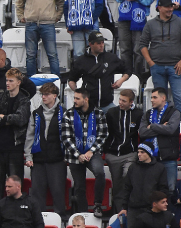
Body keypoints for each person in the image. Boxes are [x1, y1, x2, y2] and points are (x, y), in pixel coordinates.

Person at [139, 0, 181, 121]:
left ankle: (179, 126)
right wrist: (150, 62)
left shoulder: (180, 22)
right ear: (159, 8)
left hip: (176, 66)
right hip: (157, 66)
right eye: (167, 7)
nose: (170, 9)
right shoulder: (150, 24)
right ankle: (161, 125)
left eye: (171, 6)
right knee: (160, 99)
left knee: (179, 97)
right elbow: (142, 44)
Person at [0, 68, 30, 207]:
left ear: (18, 82)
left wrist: (3, 118)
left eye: (11, 81)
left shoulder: (24, 100)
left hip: (15, 148)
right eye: (6, 80)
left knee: (16, 186)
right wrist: (8, 120)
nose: (7, 83)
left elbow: (21, 119)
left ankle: (16, 212)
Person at [62, 88, 108, 217]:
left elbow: (103, 135)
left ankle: (97, 205)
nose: (74, 101)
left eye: (77, 98)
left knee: (100, 173)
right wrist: (78, 155)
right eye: (74, 98)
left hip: (92, 153)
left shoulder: (98, 113)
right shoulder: (69, 114)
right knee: (79, 186)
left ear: (85, 99)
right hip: (74, 155)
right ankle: (82, 213)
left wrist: (91, 151)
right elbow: (66, 138)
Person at [16, 0, 64, 77]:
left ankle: (55, 81)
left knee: (52, 54)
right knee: (30, 55)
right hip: (31, 23)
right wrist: (20, 15)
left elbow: (61, 1)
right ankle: (31, 82)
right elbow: (19, 0)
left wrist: (58, 16)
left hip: (47, 24)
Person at [25, 81, 66, 219]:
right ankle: (38, 219)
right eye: (42, 94)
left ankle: (59, 219)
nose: (43, 97)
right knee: (37, 192)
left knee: (58, 191)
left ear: (55, 96)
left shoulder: (64, 113)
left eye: (47, 94)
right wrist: (28, 156)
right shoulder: (36, 113)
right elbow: (30, 136)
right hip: (39, 159)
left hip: (57, 159)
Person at [113, 0, 156, 77]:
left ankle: (138, 76)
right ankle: (127, 75)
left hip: (139, 17)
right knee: (125, 49)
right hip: (124, 18)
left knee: (138, 50)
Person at [67, 31, 130, 112]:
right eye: (98, 43)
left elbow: (128, 70)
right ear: (90, 44)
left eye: (103, 42)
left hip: (107, 104)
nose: (102, 45)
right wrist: (79, 93)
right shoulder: (81, 61)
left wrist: (121, 80)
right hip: (88, 105)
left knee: (116, 117)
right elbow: (71, 80)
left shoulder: (111, 58)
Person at [104, 89, 142, 214]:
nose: (120, 102)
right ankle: (118, 212)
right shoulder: (111, 112)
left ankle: (130, 209)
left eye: (124, 101)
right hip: (113, 154)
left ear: (131, 102)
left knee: (128, 177)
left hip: (130, 153)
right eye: (120, 99)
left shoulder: (139, 114)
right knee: (117, 185)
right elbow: (106, 133)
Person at [139, 86, 181, 191]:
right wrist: (162, 127)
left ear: (163, 98)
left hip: (168, 158)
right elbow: (142, 132)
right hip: (151, 158)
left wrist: (153, 126)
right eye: (151, 97)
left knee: (170, 189)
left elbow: (170, 129)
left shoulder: (174, 112)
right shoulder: (147, 113)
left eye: (154, 97)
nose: (151, 100)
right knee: (151, 189)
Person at [121, 143, 170, 220]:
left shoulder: (159, 168)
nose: (139, 154)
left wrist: (158, 206)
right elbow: (127, 188)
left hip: (151, 209)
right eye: (138, 152)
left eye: (142, 152)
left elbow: (163, 189)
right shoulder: (133, 167)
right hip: (134, 209)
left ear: (149, 153)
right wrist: (124, 207)